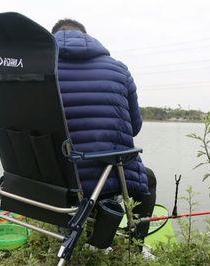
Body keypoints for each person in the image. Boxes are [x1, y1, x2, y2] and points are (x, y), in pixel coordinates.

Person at [52, 19, 156, 242]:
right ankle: (135, 244)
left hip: (41, 179)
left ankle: (71, 228)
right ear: (86, 38)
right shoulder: (118, 69)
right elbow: (134, 128)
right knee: (147, 179)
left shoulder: (32, 67)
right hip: (101, 175)